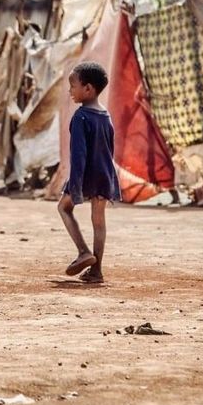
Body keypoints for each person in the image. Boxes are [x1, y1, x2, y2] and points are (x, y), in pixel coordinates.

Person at [57, 61, 120, 285]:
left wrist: (75, 185)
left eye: (73, 85)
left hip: (86, 175)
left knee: (63, 208)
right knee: (99, 222)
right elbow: (109, 148)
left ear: (88, 89)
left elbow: (78, 155)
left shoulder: (81, 116)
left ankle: (84, 251)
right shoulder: (105, 115)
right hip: (105, 174)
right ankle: (97, 271)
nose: (70, 90)